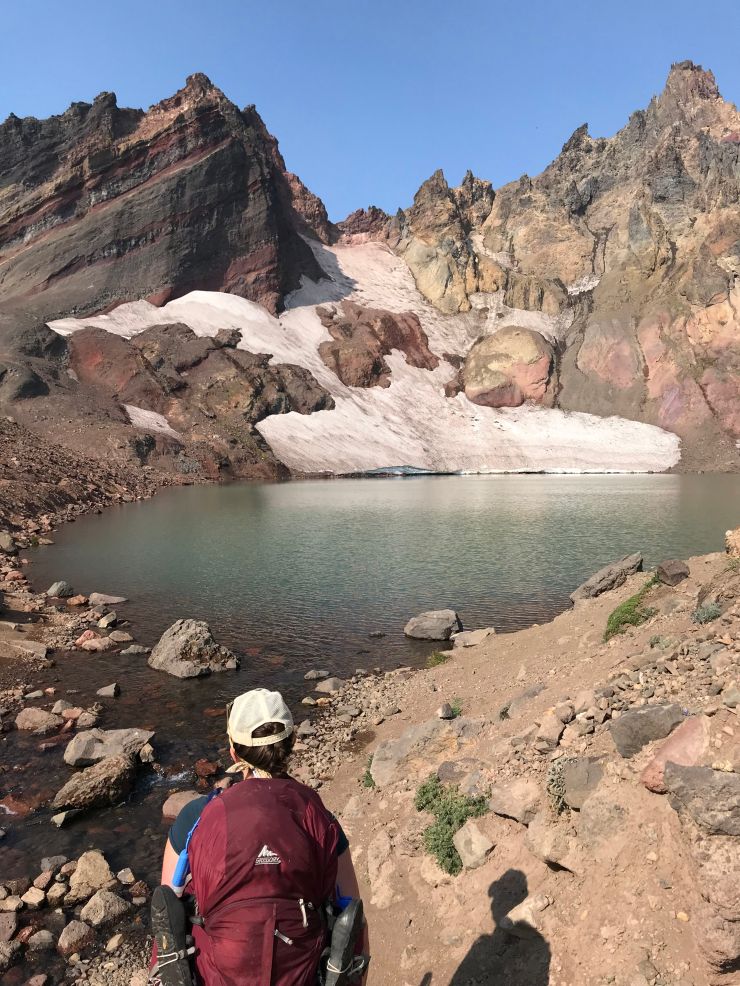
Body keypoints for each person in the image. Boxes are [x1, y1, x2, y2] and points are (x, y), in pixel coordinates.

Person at [153, 688, 367, 986]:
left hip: (217, 972)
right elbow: (352, 914)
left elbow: (167, 908)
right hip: (300, 972)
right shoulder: (321, 819)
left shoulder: (194, 818)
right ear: (291, 743)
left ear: (233, 752)